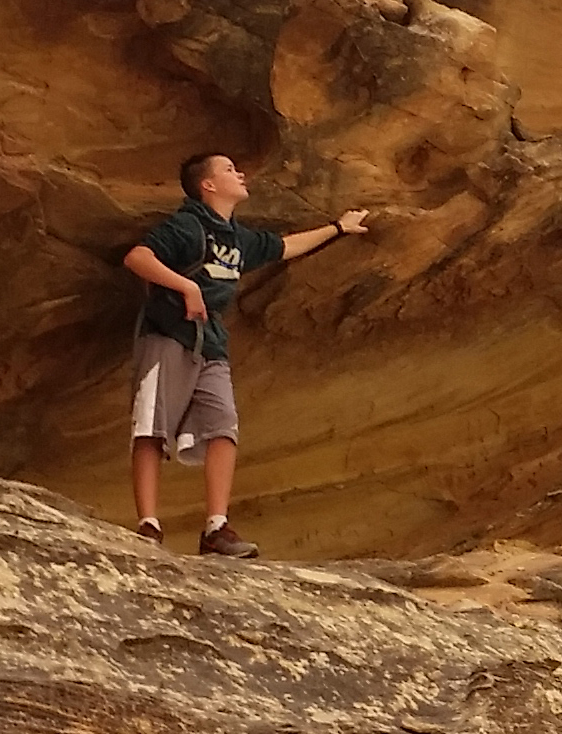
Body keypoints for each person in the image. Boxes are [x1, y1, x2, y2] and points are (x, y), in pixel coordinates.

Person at [120, 150, 374, 558]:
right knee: (152, 426)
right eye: (228, 169)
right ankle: (148, 525)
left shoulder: (236, 238)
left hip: (212, 343)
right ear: (208, 185)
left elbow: (284, 247)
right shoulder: (190, 225)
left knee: (223, 426)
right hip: (168, 334)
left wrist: (337, 228)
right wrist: (187, 287)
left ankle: (216, 528)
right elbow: (138, 257)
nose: (240, 173)